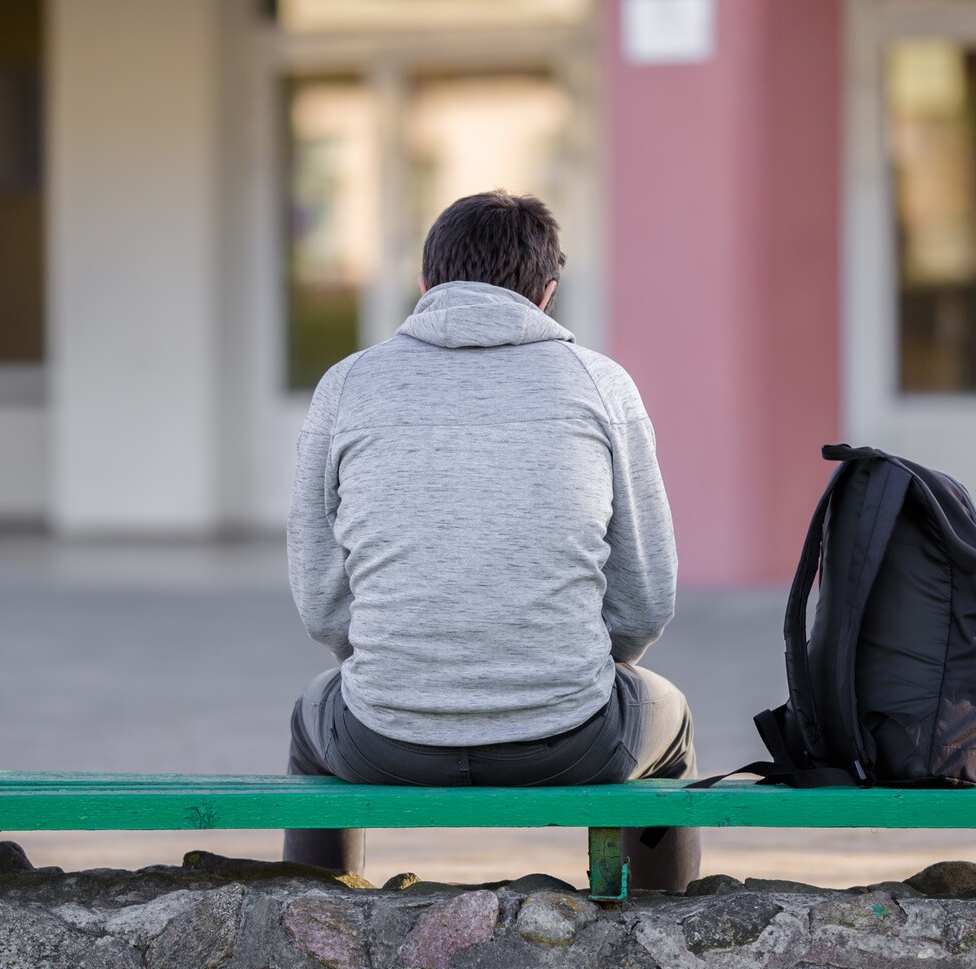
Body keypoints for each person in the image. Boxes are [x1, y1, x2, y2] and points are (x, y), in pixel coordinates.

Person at [282, 190, 698, 890]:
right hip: (572, 738)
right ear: (546, 294)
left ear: (425, 285)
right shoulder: (599, 386)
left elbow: (322, 602)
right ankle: (661, 934)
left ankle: (320, 928)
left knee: (311, 716)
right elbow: (645, 601)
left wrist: (406, 668)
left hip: (383, 741)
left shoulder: (347, 385)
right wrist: (580, 667)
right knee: (672, 718)